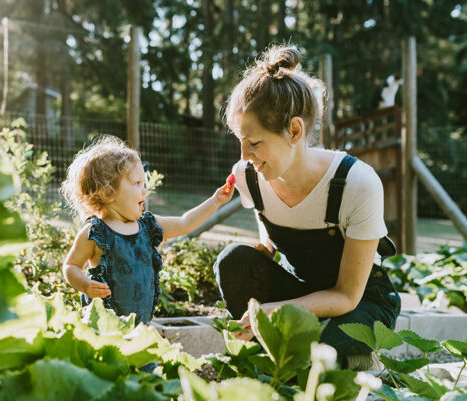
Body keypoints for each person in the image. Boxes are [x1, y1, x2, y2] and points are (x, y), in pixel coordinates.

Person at [215, 44, 401, 370]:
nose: (244, 155)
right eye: (240, 140)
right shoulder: (249, 176)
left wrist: (280, 311)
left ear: (295, 130)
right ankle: (286, 354)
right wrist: (262, 256)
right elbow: (271, 233)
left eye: (255, 143)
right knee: (233, 260)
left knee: (307, 344)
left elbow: (346, 296)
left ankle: (355, 360)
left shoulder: (357, 183)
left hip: (359, 305)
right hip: (302, 291)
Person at [61, 135, 233, 325]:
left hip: (141, 324)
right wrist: (85, 285)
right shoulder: (95, 233)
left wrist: (215, 201)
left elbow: (185, 223)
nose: (144, 191)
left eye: (144, 183)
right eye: (136, 183)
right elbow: (71, 266)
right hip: (104, 325)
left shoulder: (148, 226)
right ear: (108, 192)